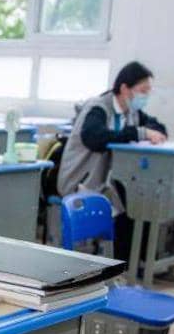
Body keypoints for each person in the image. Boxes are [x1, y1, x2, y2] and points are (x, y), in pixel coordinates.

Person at [59, 61, 168, 260]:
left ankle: (134, 263)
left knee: (141, 204)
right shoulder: (99, 108)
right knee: (127, 211)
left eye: (148, 91)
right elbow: (95, 138)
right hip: (81, 180)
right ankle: (122, 264)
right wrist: (140, 133)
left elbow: (158, 127)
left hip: (109, 183)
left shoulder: (131, 112)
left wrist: (150, 131)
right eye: (143, 91)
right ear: (125, 88)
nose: (146, 96)